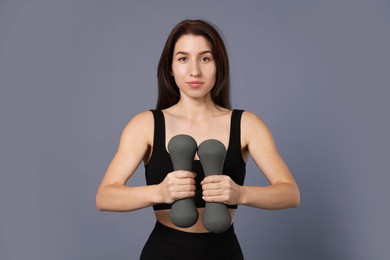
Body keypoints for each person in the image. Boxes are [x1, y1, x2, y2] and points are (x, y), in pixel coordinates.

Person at [96, 19, 300, 260]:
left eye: (205, 58)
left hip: (224, 252)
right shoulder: (145, 125)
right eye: (183, 58)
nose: (194, 70)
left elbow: (290, 194)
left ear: (218, 65)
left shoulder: (247, 124)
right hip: (163, 252)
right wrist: (160, 192)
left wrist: (240, 194)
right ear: (170, 67)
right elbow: (105, 197)